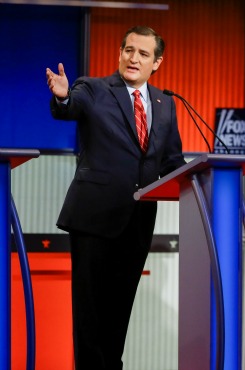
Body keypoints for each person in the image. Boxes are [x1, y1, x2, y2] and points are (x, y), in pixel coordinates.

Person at [46, 26, 185, 369]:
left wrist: (198, 180)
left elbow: (171, 161)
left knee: (120, 307)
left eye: (143, 54)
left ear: (157, 62)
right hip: (94, 217)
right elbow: (69, 107)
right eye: (129, 50)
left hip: (137, 221)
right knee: (90, 310)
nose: (133, 58)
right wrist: (63, 97)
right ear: (120, 52)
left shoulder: (166, 104)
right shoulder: (93, 88)